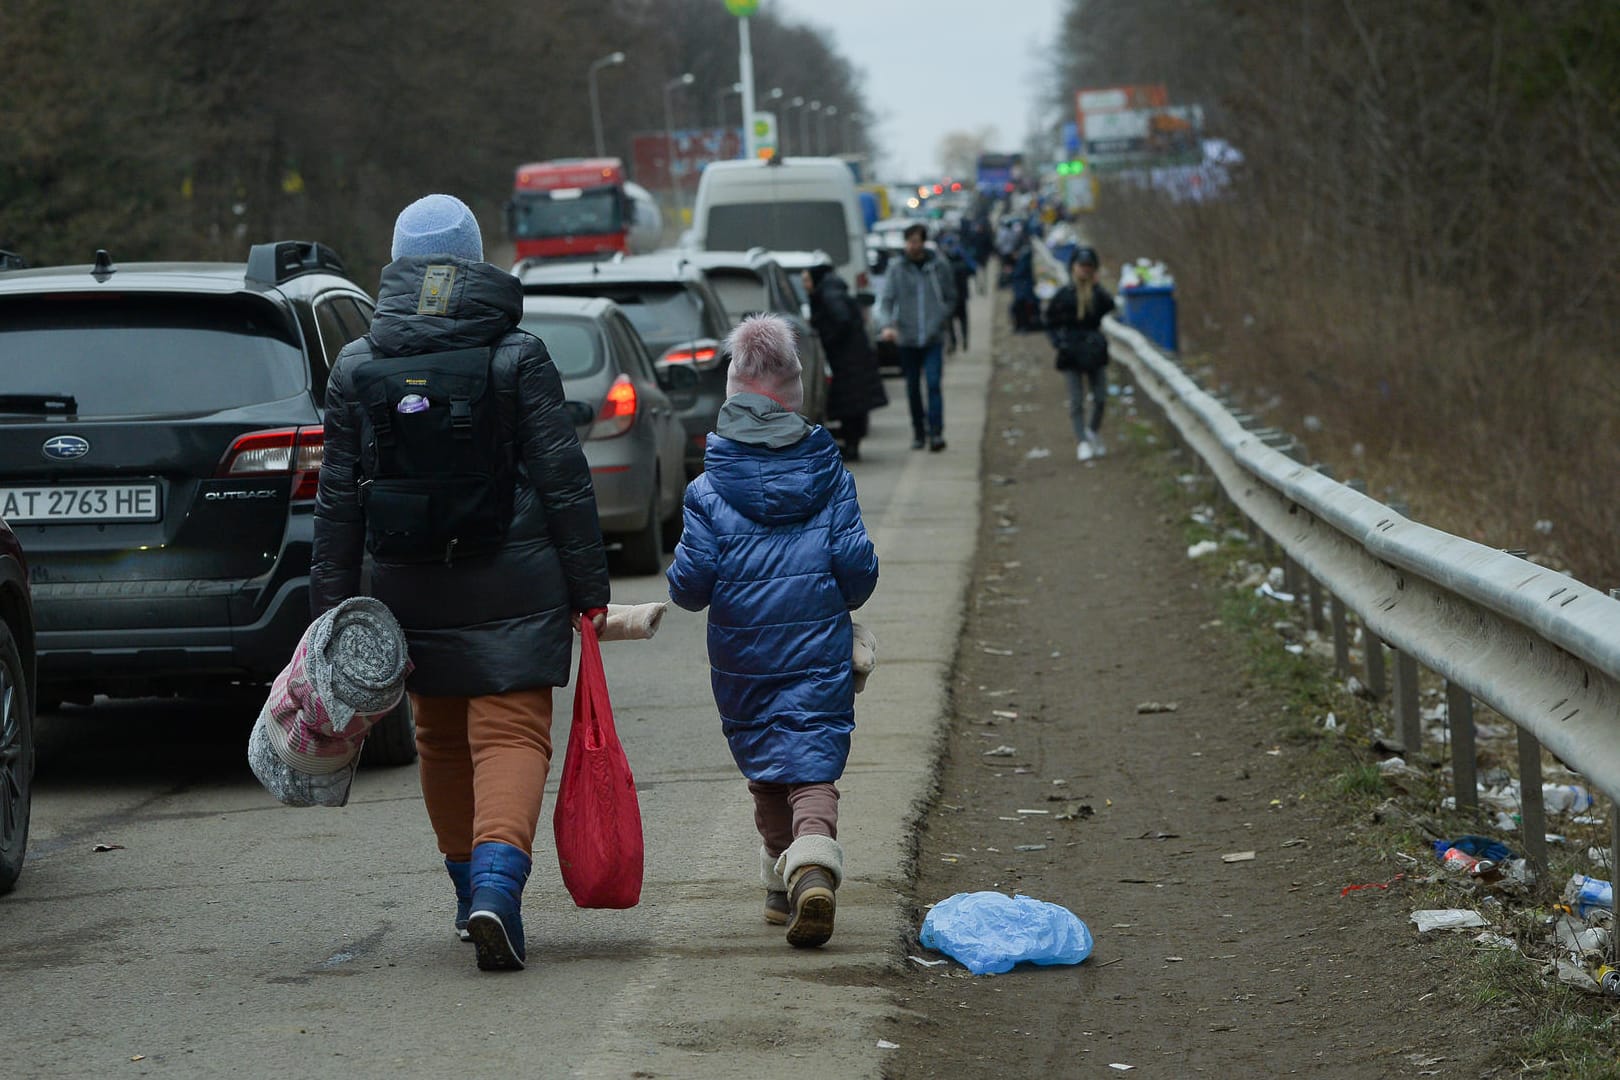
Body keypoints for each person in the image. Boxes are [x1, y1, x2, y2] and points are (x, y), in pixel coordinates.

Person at [310, 193, 611, 973]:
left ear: (398, 262)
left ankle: (464, 892)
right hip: (514, 579)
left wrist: (332, 613)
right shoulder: (518, 353)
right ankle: (497, 895)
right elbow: (563, 482)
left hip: (408, 582)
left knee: (440, 738)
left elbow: (338, 499)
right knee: (510, 733)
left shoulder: (356, 363)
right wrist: (589, 589)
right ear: (476, 260)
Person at [666, 314, 879, 949]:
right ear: (796, 396)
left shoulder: (707, 489)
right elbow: (857, 574)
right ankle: (810, 869)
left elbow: (688, 587)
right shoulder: (830, 475)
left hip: (744, 658)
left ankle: (781, 879)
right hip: (817, 650)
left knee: (765, 764)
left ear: (731, 397)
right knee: (812, 758)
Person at [877, 223, 957, 452]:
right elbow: (887, 301)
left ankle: (936, 432)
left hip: (933, 338)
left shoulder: (938, 267)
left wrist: (940, 318)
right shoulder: (897, 269)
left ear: (923, 242)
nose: (914, 245)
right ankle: (919, 432)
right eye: (910, 241)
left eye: (917, 240)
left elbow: (951, 298)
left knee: (933, 384)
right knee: (913, 387)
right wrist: (887, 325)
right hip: (907, 338)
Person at [803, 265, 888, 462]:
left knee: (849, 404)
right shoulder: (833, 291)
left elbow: (841, 320)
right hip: (854, 357)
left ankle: (851, 446)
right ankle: (852, 444)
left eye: (807, 280)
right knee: (854, 405)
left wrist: (828, 339)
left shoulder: (829, 295)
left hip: (847, 360)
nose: (805, 286)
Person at [1043, 245, 1117, 461]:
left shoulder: (1098, 294)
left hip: (1094, 349)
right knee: (1076, 400)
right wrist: (1059, 343)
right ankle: (1082, 440)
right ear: (1073, 268)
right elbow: (1049, 321)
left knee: (1101, 396)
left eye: (1089, 267)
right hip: (1071, 351)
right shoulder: (1064, 295)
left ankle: (1092, 431)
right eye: (1081, 266)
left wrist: (1098, 286)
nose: (1084, 271)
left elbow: (1111, 306)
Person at [939, 232, 977, 354]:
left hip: (955, 295)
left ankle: (956, 342)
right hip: (958, 295)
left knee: (953, 321)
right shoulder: (958, 257)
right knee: (961, 319)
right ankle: (962, 341)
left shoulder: (945, 260)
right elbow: (973, 269)